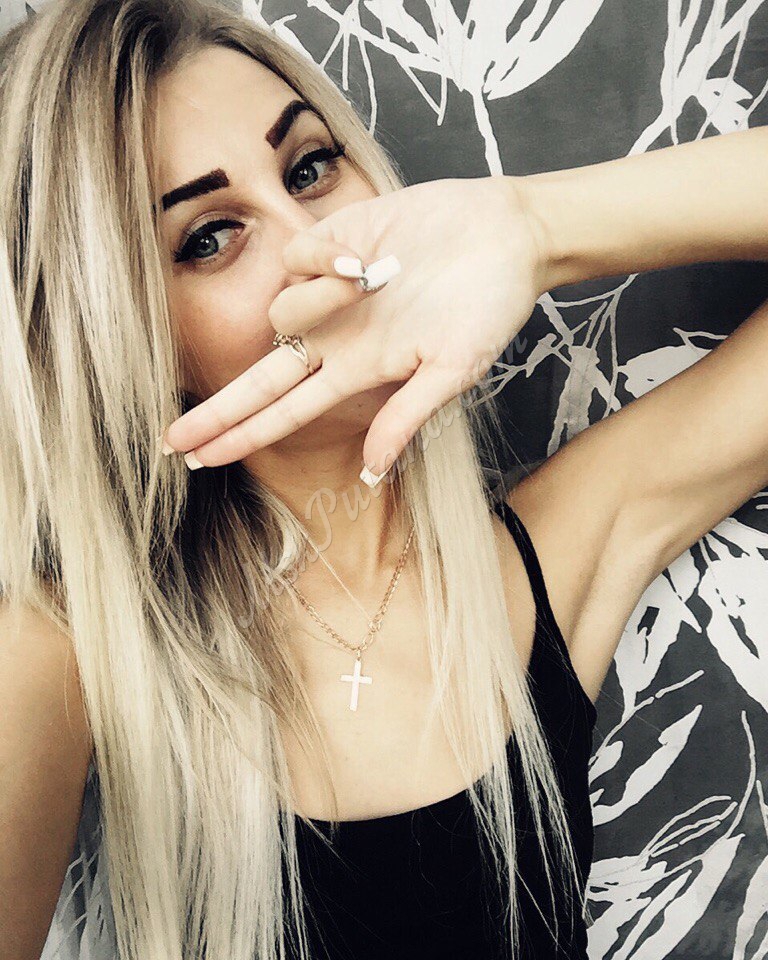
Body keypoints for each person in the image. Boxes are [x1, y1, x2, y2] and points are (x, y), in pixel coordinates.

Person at [2, 0, 767, 958]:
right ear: (126, 340)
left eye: (310, 169)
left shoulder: (544, 561)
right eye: (208, 236)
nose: (329, 250)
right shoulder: (65, 648)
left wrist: (529, 227)